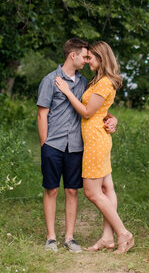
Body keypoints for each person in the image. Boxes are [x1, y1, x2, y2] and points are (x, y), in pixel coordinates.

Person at [37, 38, 118, 253]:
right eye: (84, 56)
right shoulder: (50, 80)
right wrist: (45, 144)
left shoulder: (84, 83)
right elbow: (42, 114)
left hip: (76, 146)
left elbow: (94, 108)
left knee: (72, 191)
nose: (86, 60)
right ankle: (51, 238)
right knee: (51, 190)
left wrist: (112, 118)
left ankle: (70, 238)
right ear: (72, 55)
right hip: (53, 145)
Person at [54, 40, 134, 254]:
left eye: (91, 58)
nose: (87, 60)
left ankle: (123, 233)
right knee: (107, 189)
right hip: (96, 139)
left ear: (101, 58)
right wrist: (112, 117)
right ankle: (108, 238)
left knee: (91, 192)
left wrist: (67, 92)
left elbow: (88, 112)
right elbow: (100, 110)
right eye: (87, 57)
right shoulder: (98, 81)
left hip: (96, 142)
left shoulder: (105, 82)